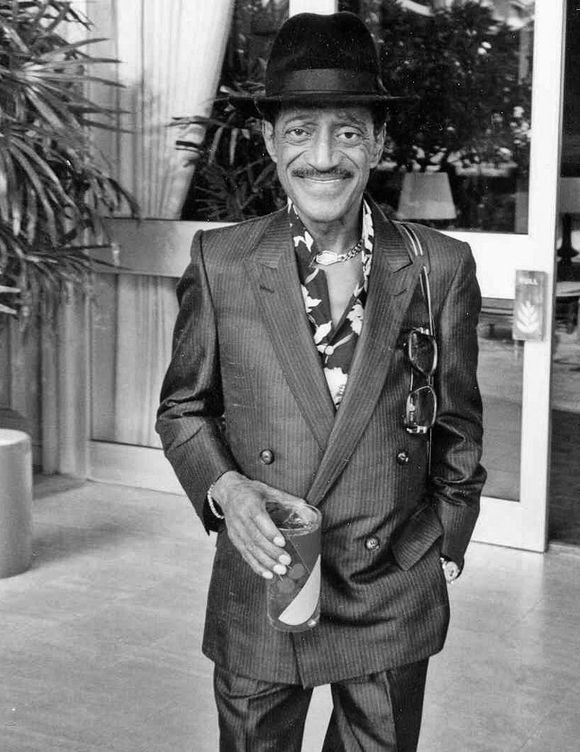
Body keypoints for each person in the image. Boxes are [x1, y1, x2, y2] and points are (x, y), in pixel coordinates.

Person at [156, 12, 486, 752]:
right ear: (271, 141)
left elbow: (459, 426)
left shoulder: (438, 265)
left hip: (388, 583)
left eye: (348, 131)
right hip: (266, 575)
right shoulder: (222, 262)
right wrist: (228, 490)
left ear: (378, 143)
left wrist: (443, 539)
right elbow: (182, 409)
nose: (324, 157)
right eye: (301, 131)